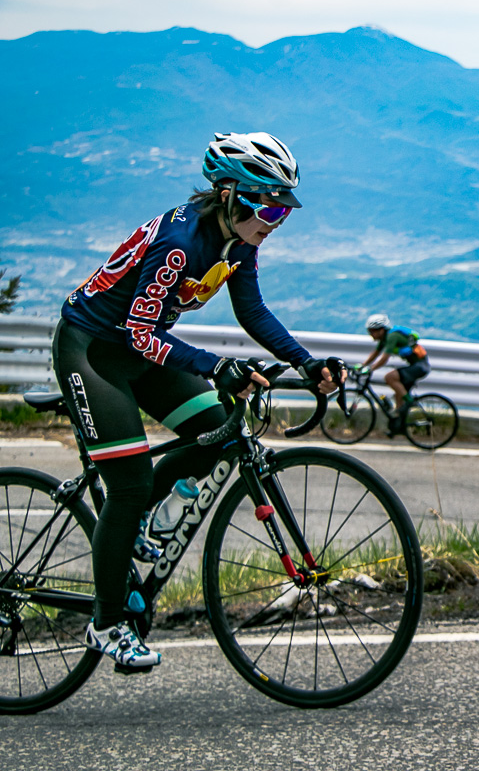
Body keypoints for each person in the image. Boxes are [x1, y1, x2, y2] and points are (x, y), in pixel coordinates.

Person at [52, 131, 345, 672]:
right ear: (230, 192)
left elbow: (252, 312)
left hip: (139, 350)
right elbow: (141, 333)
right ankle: (107, 625)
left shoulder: (238, 241)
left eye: (284, 210)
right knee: (131, 480)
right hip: (93, 351)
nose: (273, 220)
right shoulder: (182, 241)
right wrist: (216, 366)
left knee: (219, 431)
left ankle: (137, 519)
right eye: (266, 204)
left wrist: (306, 362)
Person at [360, 314, 430, 436]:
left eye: (372, 331)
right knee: (398, 397)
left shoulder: (392, 336)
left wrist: (370, 369)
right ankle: (398, 427)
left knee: (389, 377)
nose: (370, 334)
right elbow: (375, 353)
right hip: (416, 366)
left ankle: (409, 401)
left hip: (420, 366)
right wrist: (362, 366)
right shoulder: (384, 338)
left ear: (381, 330)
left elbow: (384, 358)